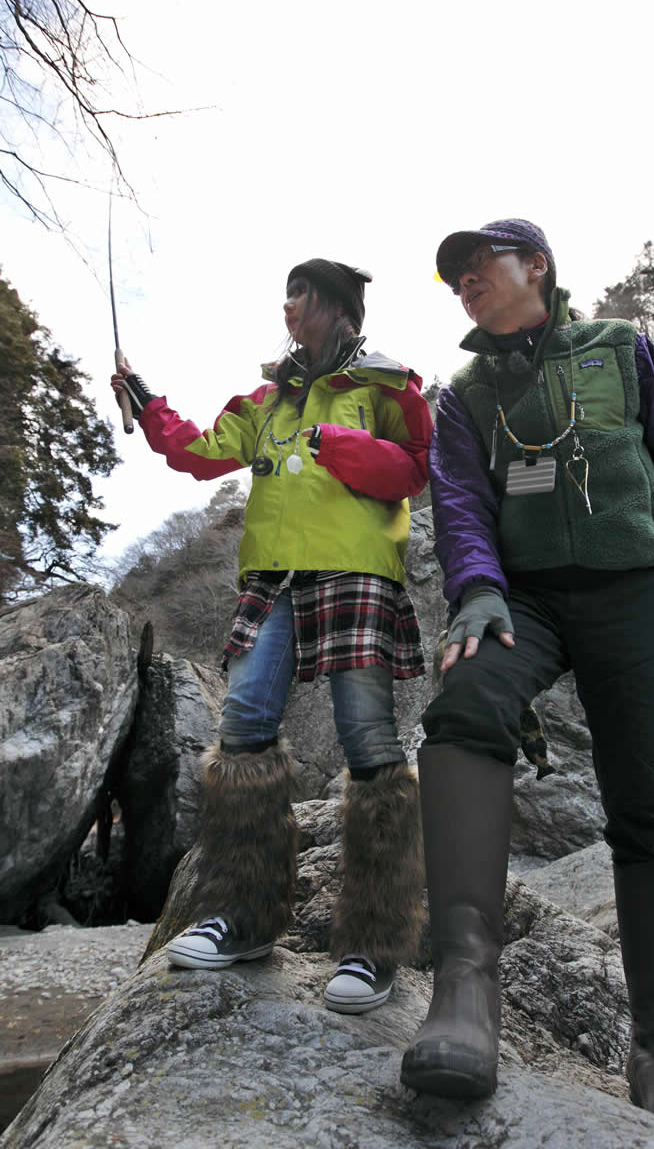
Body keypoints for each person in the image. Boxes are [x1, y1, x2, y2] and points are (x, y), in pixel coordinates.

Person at [400, 220, 654, 1140]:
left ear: (533, 265)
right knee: (464, 700)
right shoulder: (461, 397)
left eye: (479, 264)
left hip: (635, 591)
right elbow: (459, 505)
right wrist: (473, 594)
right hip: (525, 600)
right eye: (453, 275)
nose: (464, 280)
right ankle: (465, 993)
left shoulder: (622, 347)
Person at [111, 258, 432, 1014]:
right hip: (273, 579)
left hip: (356, 572)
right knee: (243, 724)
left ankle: (372, 945)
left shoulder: (389, 385)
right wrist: (145, 399)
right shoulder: (268, 398)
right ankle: (240, 918)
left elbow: (417, 469)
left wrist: (337, 444)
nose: (286, 308)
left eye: (298, 295)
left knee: (367, 739)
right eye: (286, 295)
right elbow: (196, 452)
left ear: (335, 309)